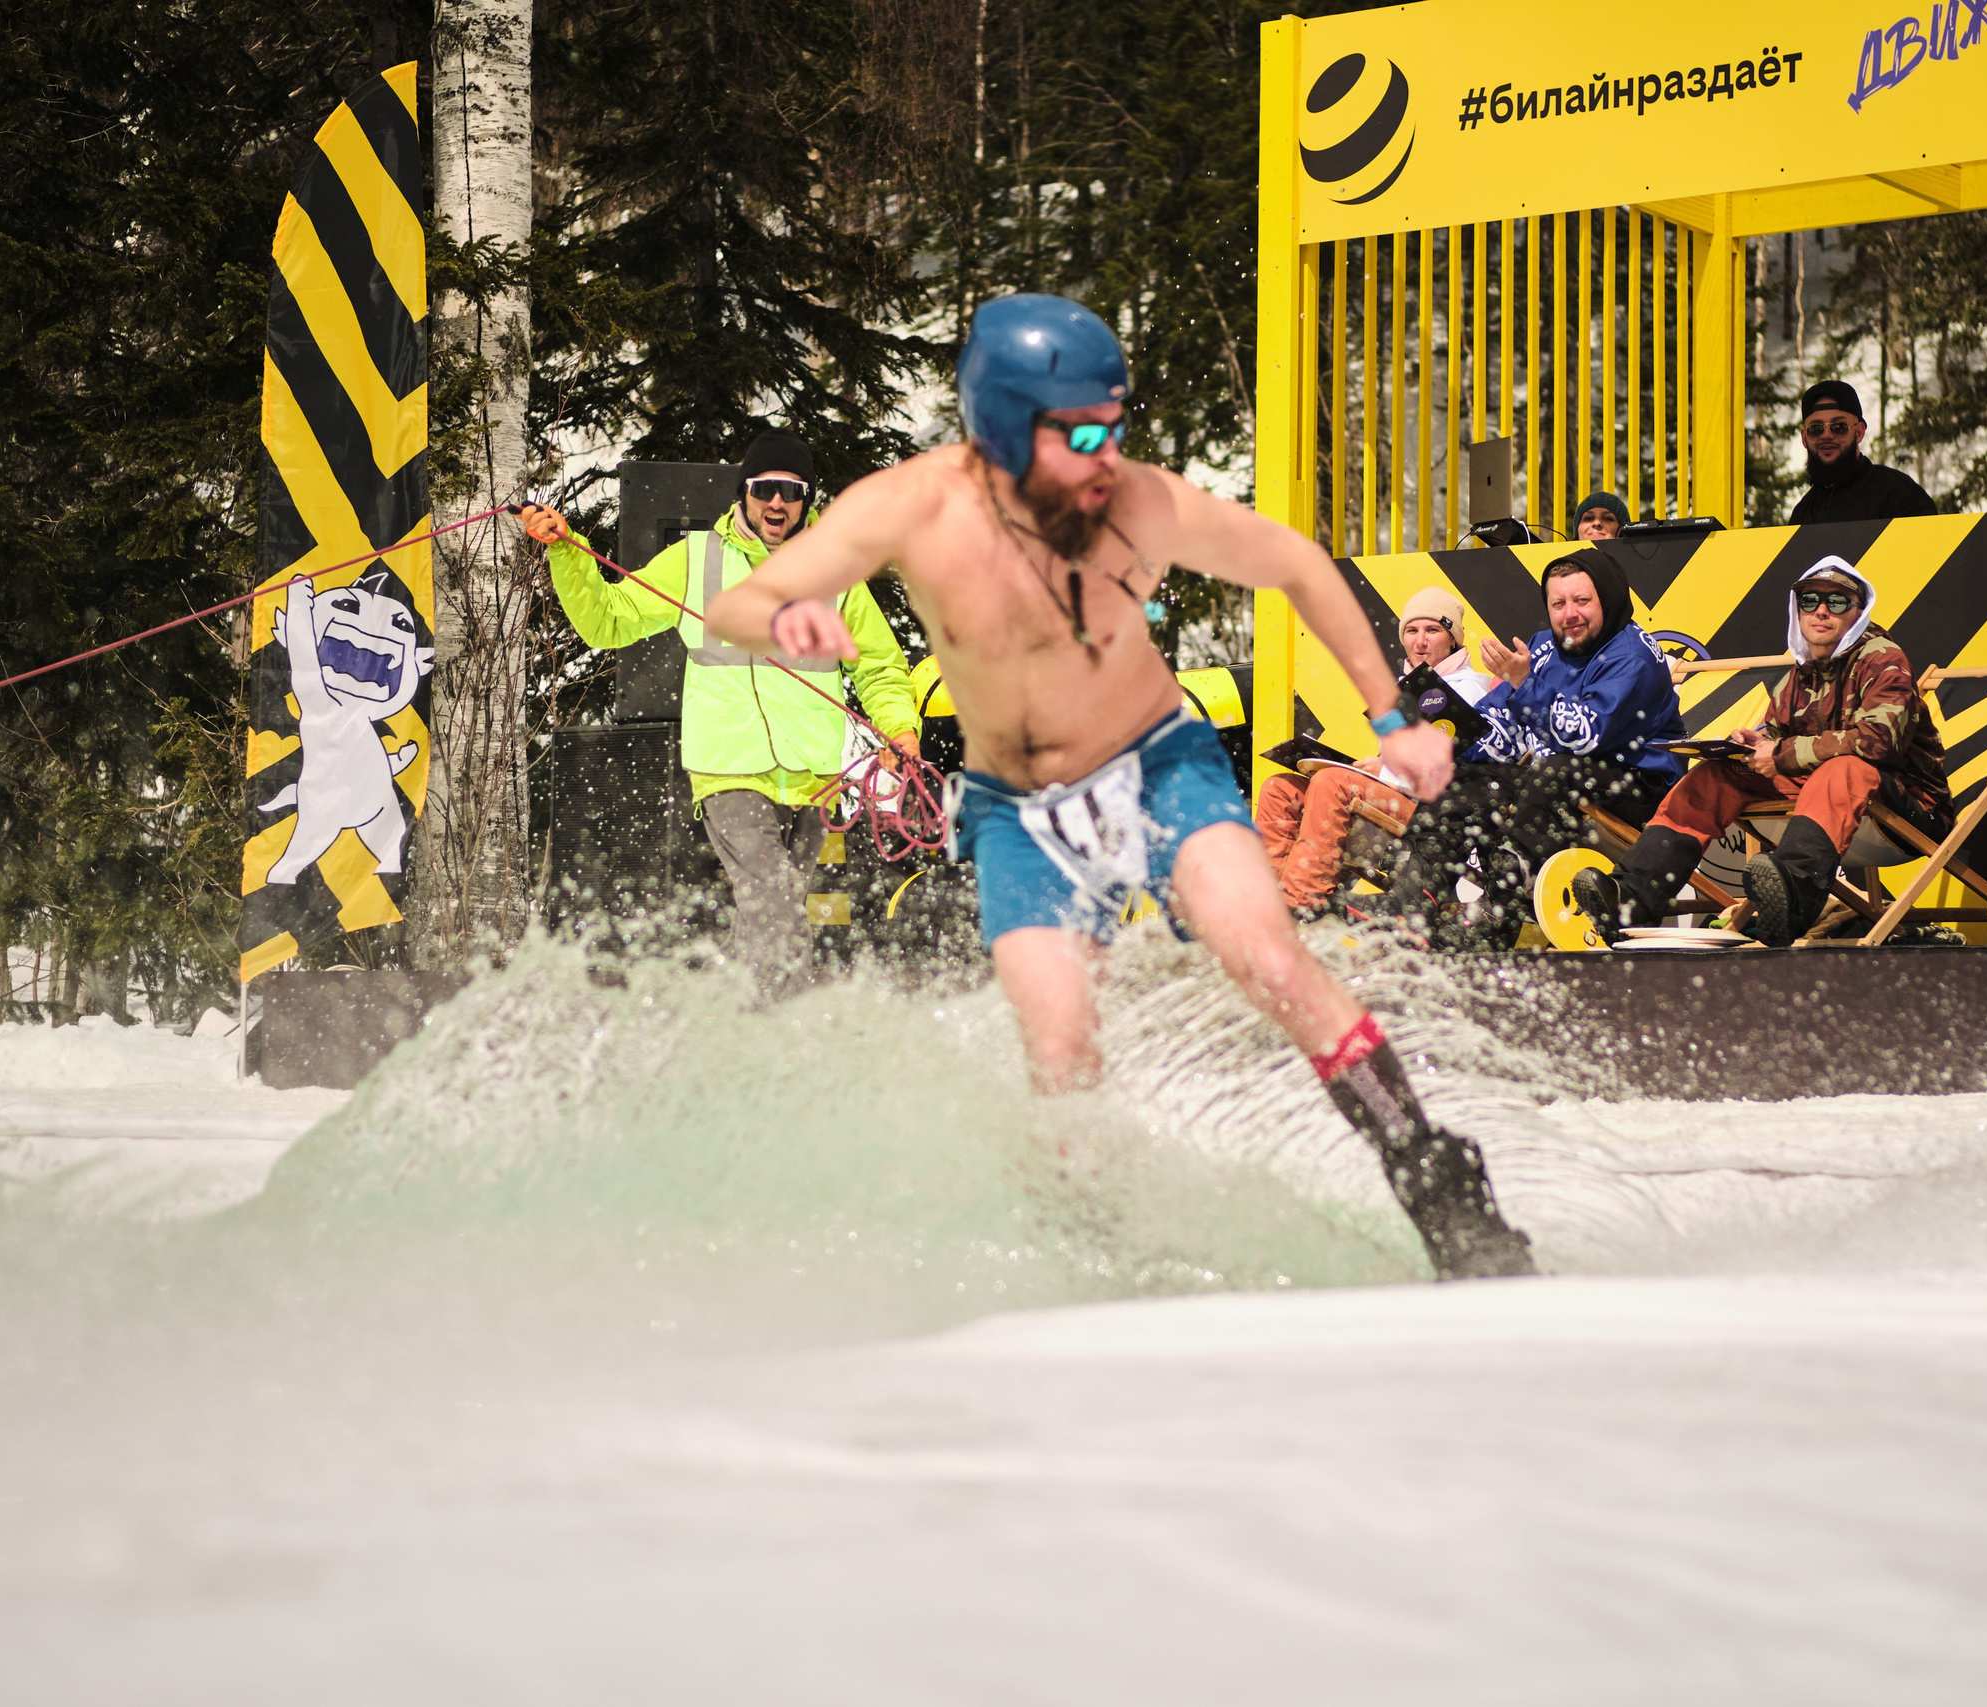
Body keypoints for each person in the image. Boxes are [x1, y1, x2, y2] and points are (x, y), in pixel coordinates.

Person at [703, 293, 1537, 1280]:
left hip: (1156, 764)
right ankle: (1103, 1249)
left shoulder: (1135, 500)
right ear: (1007, 433)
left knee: (1265, 957)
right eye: (1085, 432)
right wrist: (785, 623)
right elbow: (739, 600)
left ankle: (1442, 1187)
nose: (1109, 456)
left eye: (1117, 425)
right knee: (1059, 1046)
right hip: (1020, 813)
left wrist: (1392, 721)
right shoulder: (911, 508)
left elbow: (1298, 566)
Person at [520, 430, 922, 999]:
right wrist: (565, 550)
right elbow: (607, 621)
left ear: (807, 500)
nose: (777, 503)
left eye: (791, 491)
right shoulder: (696, 559)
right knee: (777, 898)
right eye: (765, 489)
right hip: (730, 770)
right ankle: (781, 1033)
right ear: (745, 493)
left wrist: (900, 729)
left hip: (812, 779)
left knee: (764, 912)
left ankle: (719, 1022)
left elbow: (878, 667)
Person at [1571, 557, 1951, 949]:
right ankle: (1632, 898)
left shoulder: (1884, 659)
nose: (1821, 611)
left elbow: (1877, 743)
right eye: (1809, 601)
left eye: (1836, 602)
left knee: (1845, 769)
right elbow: (1776, 734)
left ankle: (1792, 897)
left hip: (1910, 810)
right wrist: (1754, 743)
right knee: (1714, 776)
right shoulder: (1802, 672)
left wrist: (1782, 753)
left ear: (1857, 612)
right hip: (1825, 801)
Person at [1379, 549, 1683, 935]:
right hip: (1556, 784)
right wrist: (1449, 739)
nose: (1568, 614)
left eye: (1581, 601)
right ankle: (1414, 901)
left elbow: (1585, 736)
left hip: (1637, 787)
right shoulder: (1544, 647)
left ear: (1607, 599)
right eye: (1558, 603)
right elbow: (1502, 727)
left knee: (1553, 771)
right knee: (1464, 779)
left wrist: (1524, 683)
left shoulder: (1633, 656)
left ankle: (1496, 913)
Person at [1254, 587, 1492, 915]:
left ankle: (1305, 902)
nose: (1420, 641)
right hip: (1395, 795)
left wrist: (1380, 770)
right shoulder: (1400, 687)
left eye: (1433, 630)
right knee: (1279, 788)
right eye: (1412, 630)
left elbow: (1446, 770)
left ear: (1452, 638)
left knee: (1331, 783)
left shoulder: (1471, 692)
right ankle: (1272, 903)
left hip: (1436, 814)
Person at [1788, 380, 1936, 526]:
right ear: (1804, 438)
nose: (1826, 435)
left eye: (1839, 427)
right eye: (1816, 429)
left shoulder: (1897, 494)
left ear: (1859, 432)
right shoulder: (1801, 513)